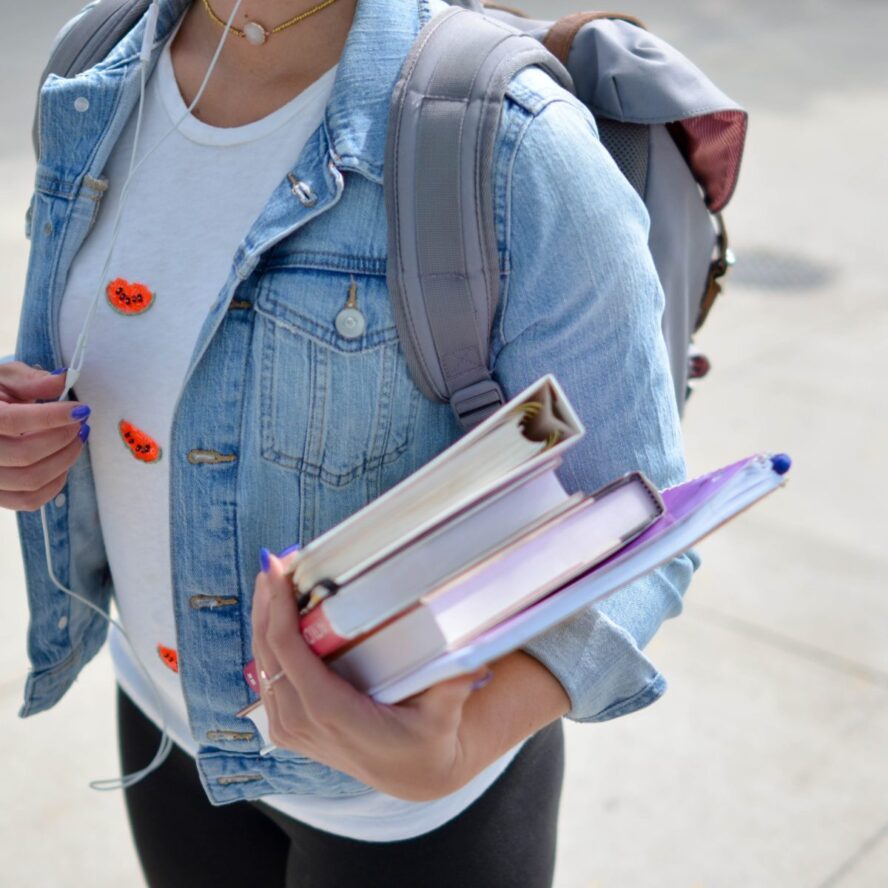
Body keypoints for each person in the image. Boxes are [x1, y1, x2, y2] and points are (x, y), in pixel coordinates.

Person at [6, 0, 696, 884]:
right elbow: (113, 353)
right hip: (166, 722)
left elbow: (639, 525)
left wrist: (456, 748)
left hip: (411, 812)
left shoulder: (513, 144)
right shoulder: (94, 63)